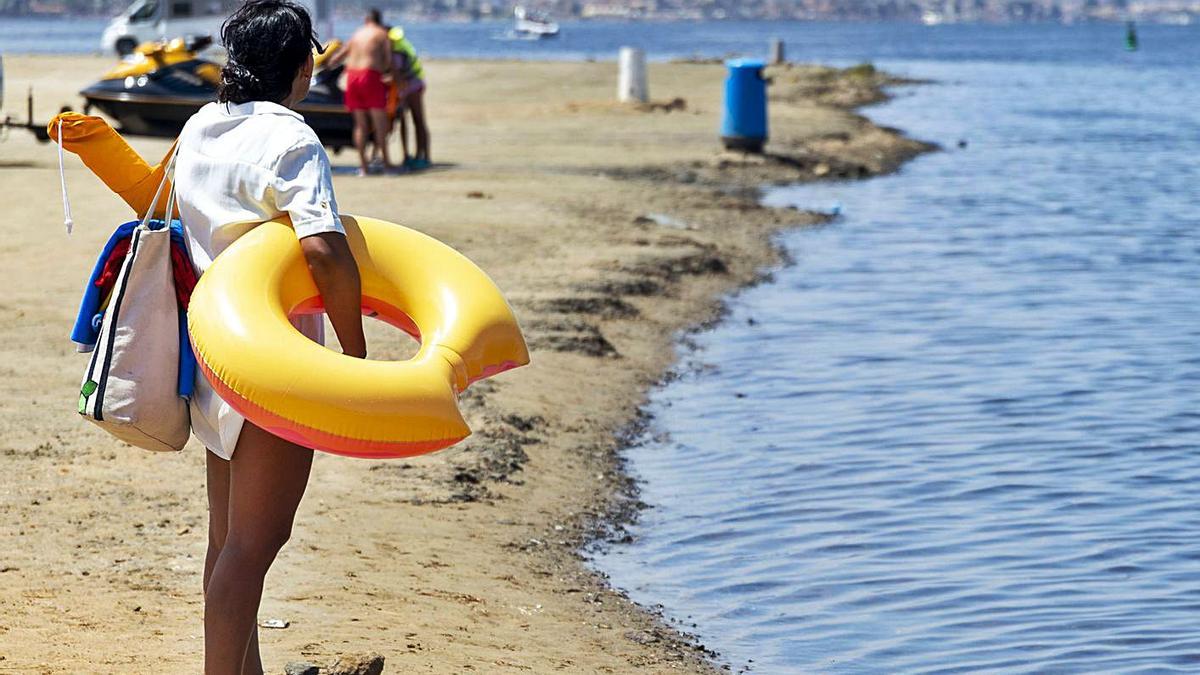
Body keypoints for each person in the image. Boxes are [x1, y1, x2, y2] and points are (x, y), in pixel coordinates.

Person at [173, 1, 367, 673]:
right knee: (255, 542)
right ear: (300, 64)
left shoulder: (201, 125)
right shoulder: (292, 138)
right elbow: (322, 250)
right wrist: (354, 349)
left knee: (227, 539)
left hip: (208, 351)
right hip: (275, 361)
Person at [331, 9, 394, 175]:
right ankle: (387, 165)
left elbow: (340, 55)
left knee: (360, 125)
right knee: (380, 123)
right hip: (370, 75)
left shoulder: (358, 33)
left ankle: (363, 168)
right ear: (379, 20)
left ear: (366, 20)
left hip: (352, 76)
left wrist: (328, 63)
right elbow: (388, 61)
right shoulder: (381, 33)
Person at [387, 25, 430, 169]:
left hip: (411, 85)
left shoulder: (396, 51)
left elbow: (397, 74)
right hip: (414, 83)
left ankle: (421, 157)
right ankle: (415, 156)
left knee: (416, 120)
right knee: (414, 121)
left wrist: (399, 91)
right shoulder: (402, 44)